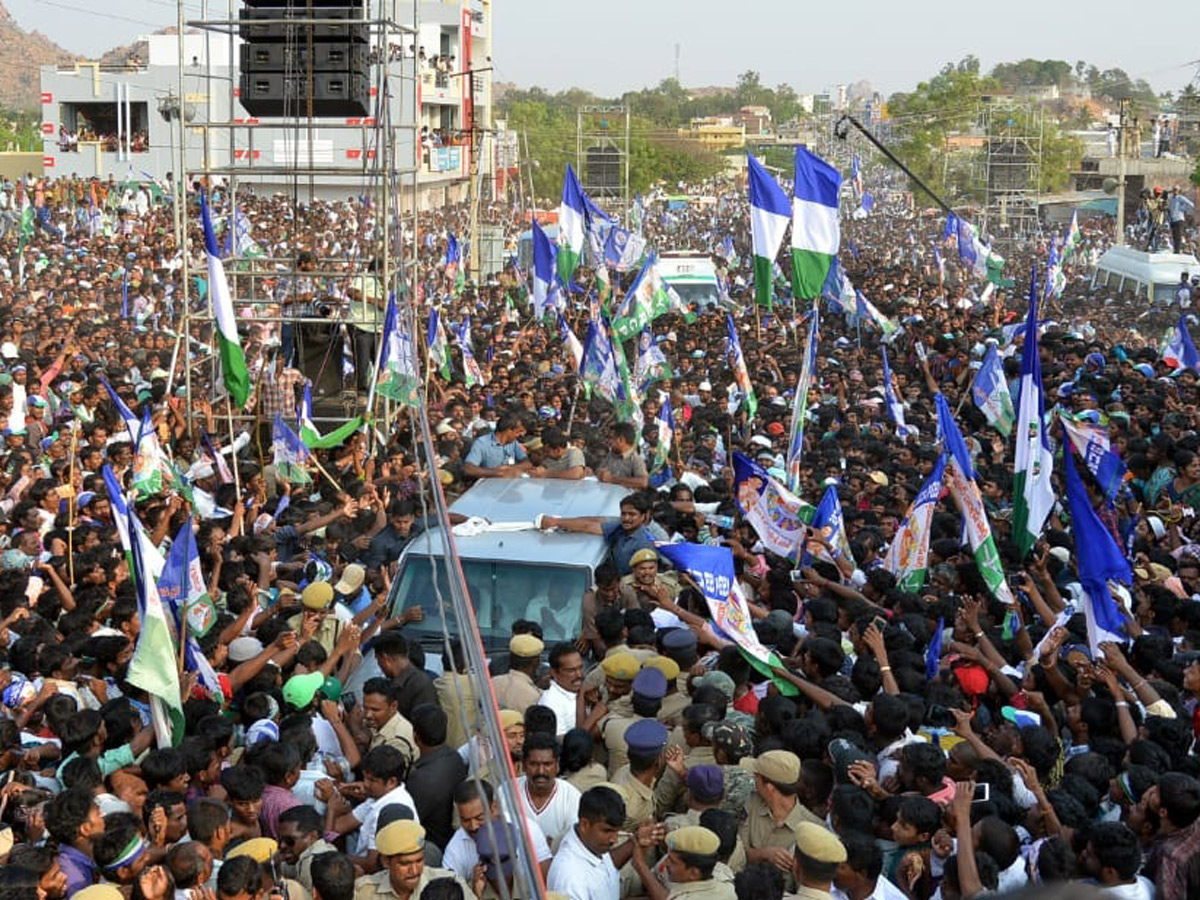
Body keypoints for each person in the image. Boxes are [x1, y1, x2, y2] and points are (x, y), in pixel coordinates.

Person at [462, 415, 530, 480]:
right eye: (518, 432)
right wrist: (496, 473)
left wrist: (510, 469)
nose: (520, 435)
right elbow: (468, 469)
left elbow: (527, 463)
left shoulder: (513, 443)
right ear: (509, 430)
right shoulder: (482, 443)